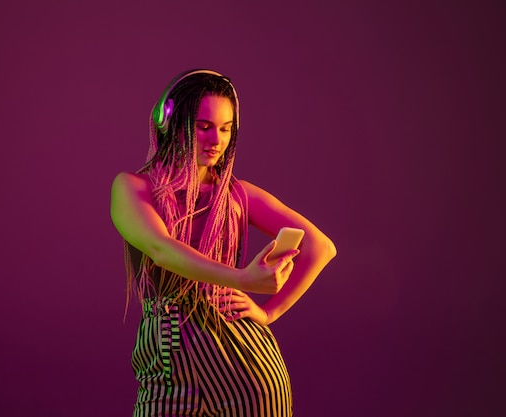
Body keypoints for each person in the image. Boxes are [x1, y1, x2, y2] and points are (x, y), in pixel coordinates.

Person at [110, 69, 336, 416]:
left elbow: (320, 247)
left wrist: (268, 312)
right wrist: (243, 279)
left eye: (226, 129)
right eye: (204, 126)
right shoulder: (133, 188)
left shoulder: (238, 195)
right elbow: (160, 248)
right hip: (165, 364)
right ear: (170, 121)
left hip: (243, 365)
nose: (216, 139)